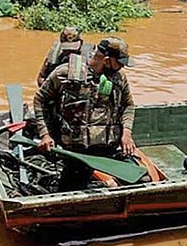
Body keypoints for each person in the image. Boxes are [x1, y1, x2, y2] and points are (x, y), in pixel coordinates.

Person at [33, 37, 137, 191]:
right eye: (120, 62)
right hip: (76, 151)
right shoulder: (65, 73)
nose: (122, 66)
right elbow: (40, 100)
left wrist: (126, 133)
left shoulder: (119, 77)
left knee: (139, 178)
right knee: (71, 191)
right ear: (107, 60)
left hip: (108, 147)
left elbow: (128, 105)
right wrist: (45, 134)